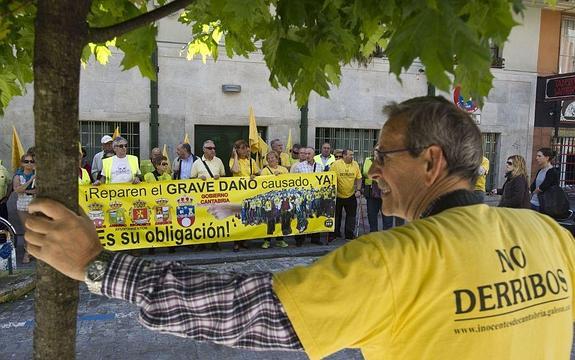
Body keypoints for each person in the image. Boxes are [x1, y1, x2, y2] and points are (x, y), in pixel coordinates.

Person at [24, 96, 575, 359]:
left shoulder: (399, 258)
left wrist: (98, 266)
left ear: (431, 163)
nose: (372, 169)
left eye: (383, 155)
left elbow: (248, 310)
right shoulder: (551, 238)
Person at [229, 139, 259, 251]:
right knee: (237, 216)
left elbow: (260, 173)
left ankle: (245, 240)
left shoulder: (251, 161)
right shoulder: (232, 160)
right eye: (242, 148)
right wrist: (235, 156)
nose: (245, 149)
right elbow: (235, 170)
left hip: (248, 193)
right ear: (236, 150)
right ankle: (236, 241)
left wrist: (254, 176)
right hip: (237, 193)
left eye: (246, 147)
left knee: (248, 215)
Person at [292, 147, 324, 246]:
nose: (307, 156)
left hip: (315, 196)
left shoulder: (319, 167)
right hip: (302, 196)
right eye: (305, 154)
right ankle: (299, 239)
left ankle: (315, 238)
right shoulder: (299, 167)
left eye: (309, 154)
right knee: (302, 216)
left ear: (314, 154)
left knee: (315, 215)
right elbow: (294, 181)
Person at [330, 149, 362, 241]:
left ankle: (349, 234)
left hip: (351, 194)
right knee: (337, 216)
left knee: (351, 216)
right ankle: (335, 234)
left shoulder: (355, 164)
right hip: (338, 195)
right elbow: (331, 177)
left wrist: (358, 190)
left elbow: (359, 178)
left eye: (352, 155)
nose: (352, 156)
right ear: (344, 155)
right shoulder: (336, 164)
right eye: (350, 155)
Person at [260, 152, 289, 249]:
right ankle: (267, 240)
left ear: (277, 159)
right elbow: (263, 182)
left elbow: (289, 181)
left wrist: (280, 176)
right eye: (269, 158)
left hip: (281, 199)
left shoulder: (284, 169)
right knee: (270, 219)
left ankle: (280, 240)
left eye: (273, 158)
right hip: (270, 199)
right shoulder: (265, 170)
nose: (271, 160)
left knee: (282, 219)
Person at [362, 154, 392, 232]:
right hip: (371, 194)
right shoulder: (368, 160)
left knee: (388, 219)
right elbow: (365, 174)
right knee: (372, 217)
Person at [14, 154, 36, 263]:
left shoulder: (37, 175)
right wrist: (31, 180)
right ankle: (27, 252)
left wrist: (25, 190)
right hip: (22, 205)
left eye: (32, 161)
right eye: (26, 161)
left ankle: (33, 250)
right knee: (27, 229)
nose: (29, 164)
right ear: (22, 163)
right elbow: (17, 189)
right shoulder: (18, 175)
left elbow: (38, 191)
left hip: (35, 205)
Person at [529, 147, 559, 212]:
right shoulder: (540, 170)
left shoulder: (552, 171)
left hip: (544, 205)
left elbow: (543, 187)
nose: (537, 158)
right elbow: (534, 185)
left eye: (539, 156)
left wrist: (534, 192)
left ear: (547, 158)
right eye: (537, 156)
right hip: (533, 202)